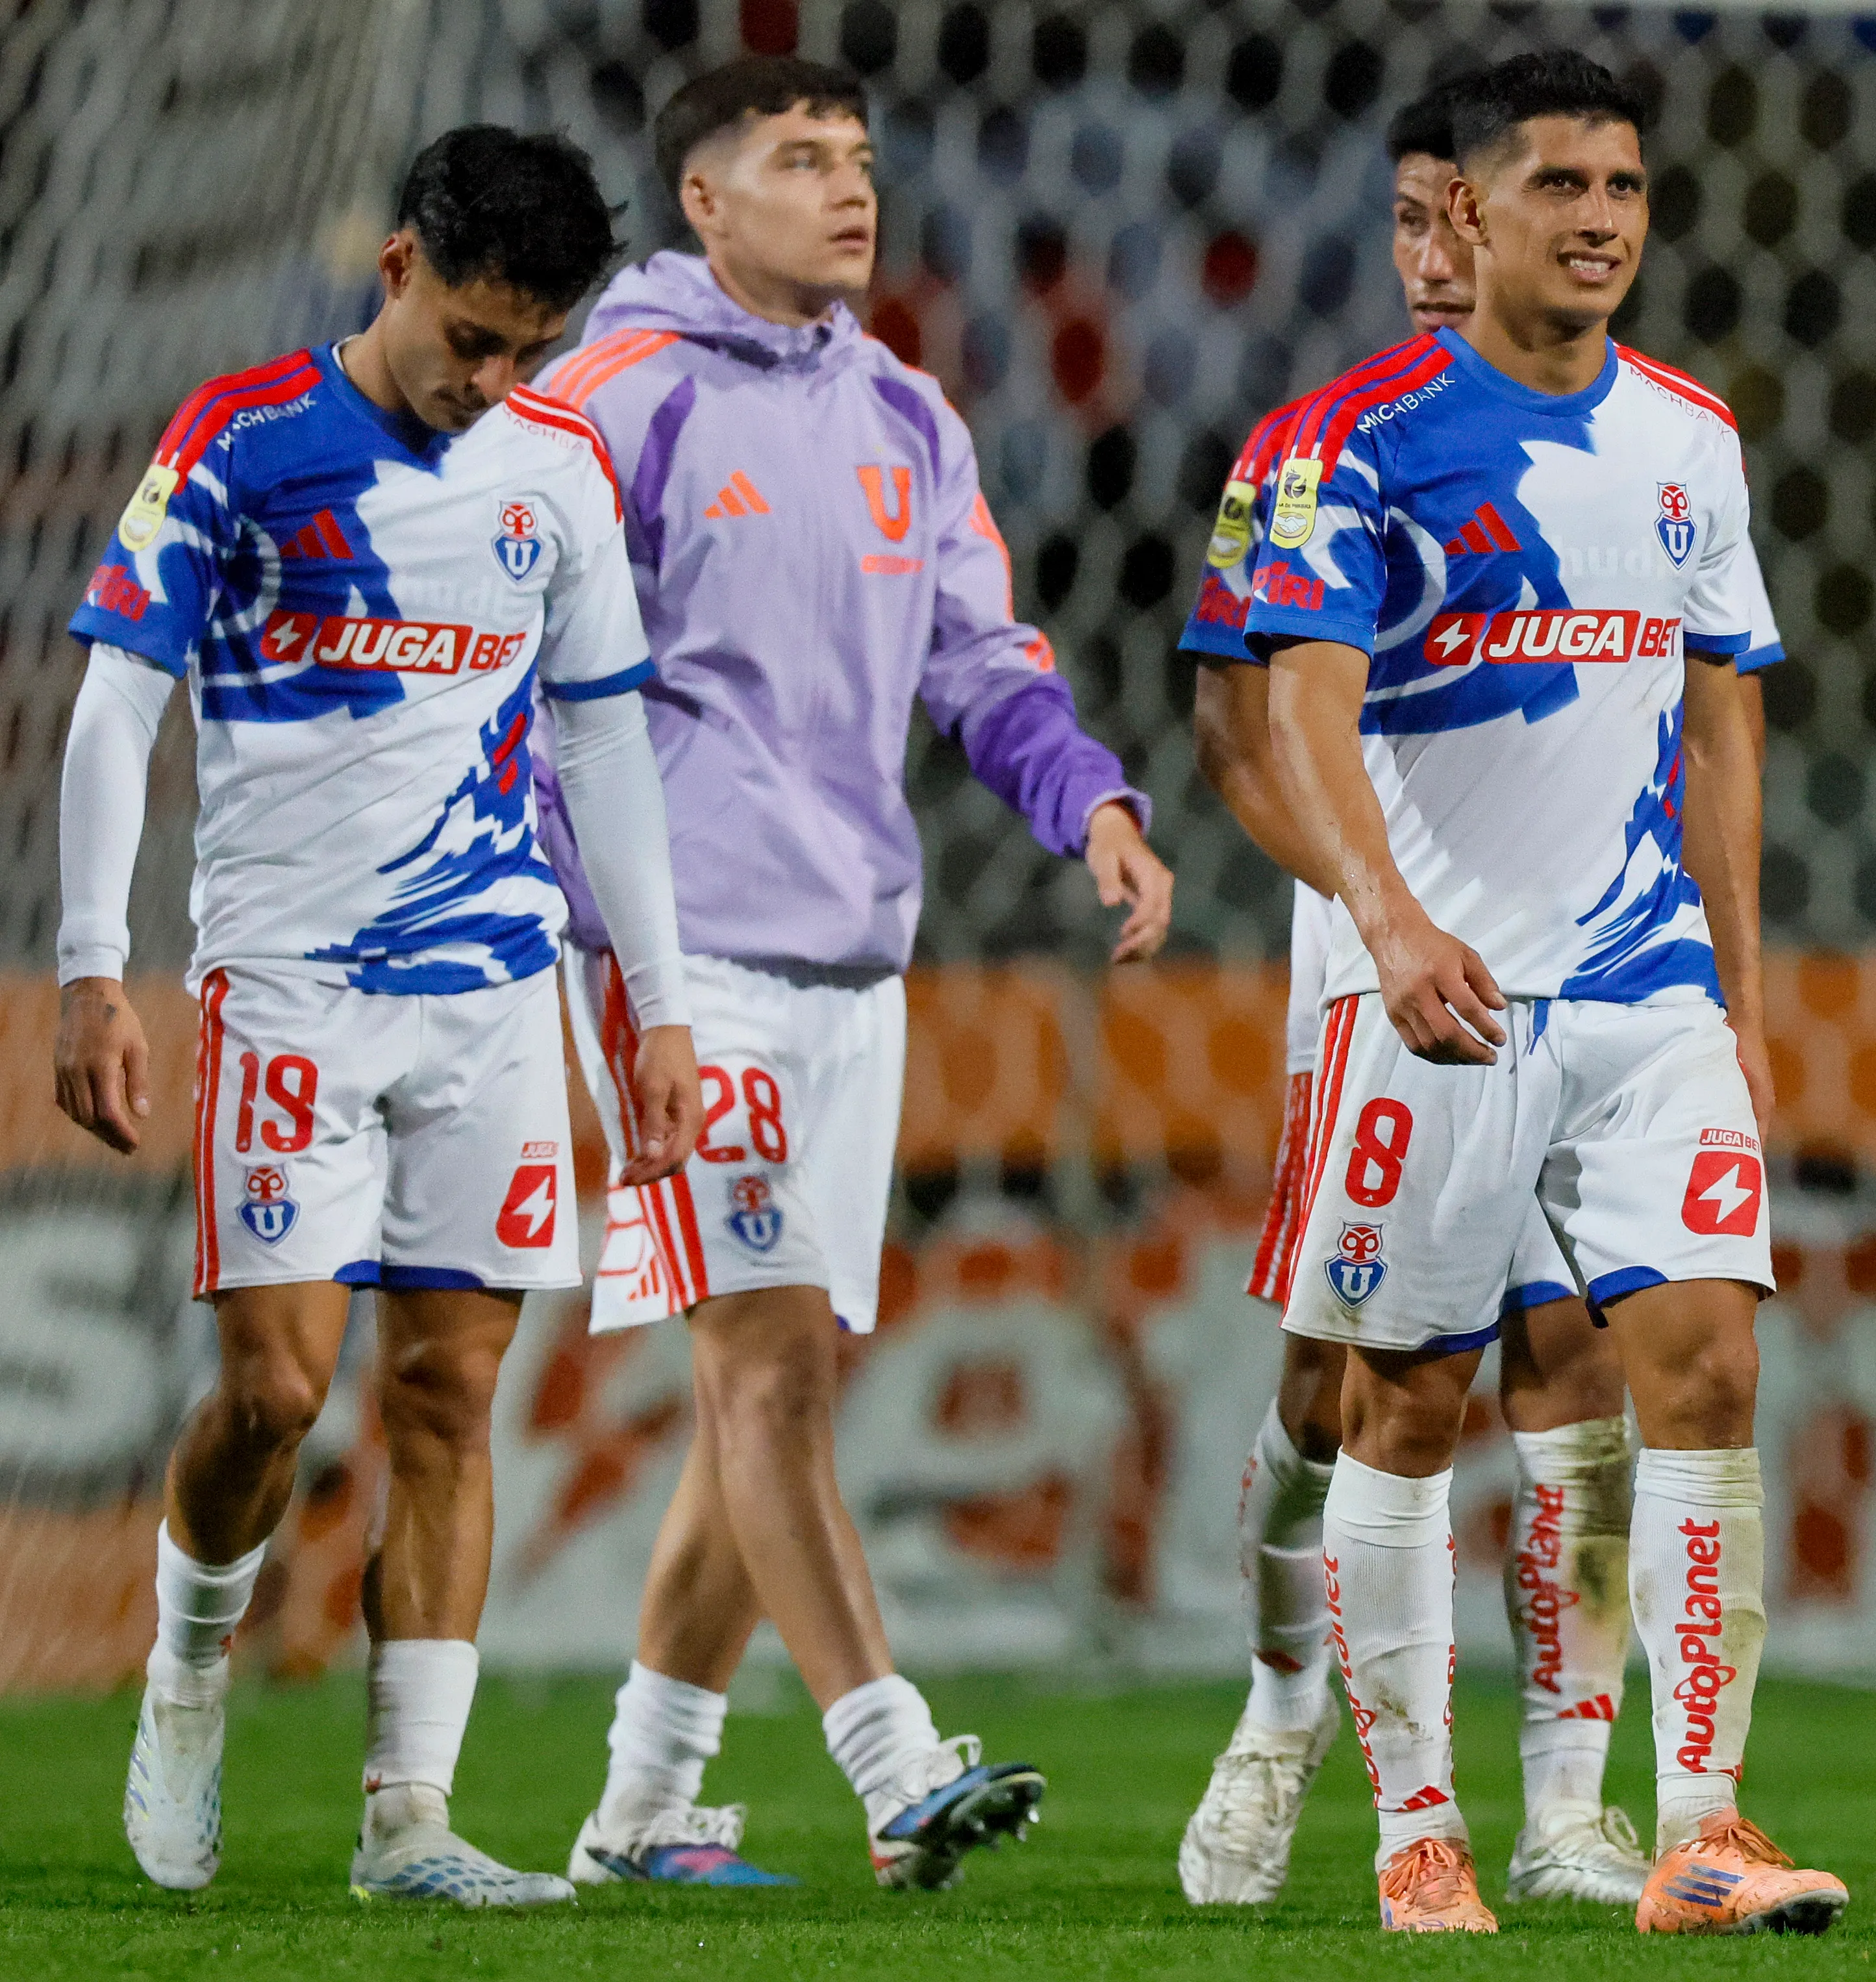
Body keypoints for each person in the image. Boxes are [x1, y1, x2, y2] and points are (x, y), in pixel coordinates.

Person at [529, 57, 1171, 1888]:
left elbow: (987, 661)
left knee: (772, 1391)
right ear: (703, 203)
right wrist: (603, 944)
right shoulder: (611, 404)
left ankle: (642, 1809)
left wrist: (1094, 809)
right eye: (799, 158)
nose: (848, 187)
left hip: (849, 965)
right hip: (685, 963)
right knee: (776, 1358)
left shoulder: (905, 414)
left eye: (862, 159)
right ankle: (896, 1761)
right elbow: (515, 684)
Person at [56, 125, 700, 1905]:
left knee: (448, 1390)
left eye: (531, 352)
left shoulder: (557, 472)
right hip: (288, 990)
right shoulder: (243, 439)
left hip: (491, 995)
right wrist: (89, 963)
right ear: (398, 264)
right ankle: (189, 1669)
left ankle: (409, 1816)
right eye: (472, 341)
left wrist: (651, 1001)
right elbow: (119, 706)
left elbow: (606, 742)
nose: (492, 382)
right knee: (272, 1386)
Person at [1244, 49, 1846, 1938]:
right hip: (1447, 994)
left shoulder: (1690, 438)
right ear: (1471, 213)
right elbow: (1302, 709)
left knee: (1710, 1366)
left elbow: (1726, 728)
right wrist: (1389, 921)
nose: (1600, 219)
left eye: (1627, 189)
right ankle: (1413, 1827)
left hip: (1647, 981)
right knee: (1402, 1407)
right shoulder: (1362, 442)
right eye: (1562, 187)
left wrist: (1742, 1002)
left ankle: (1702, 1824)